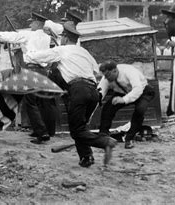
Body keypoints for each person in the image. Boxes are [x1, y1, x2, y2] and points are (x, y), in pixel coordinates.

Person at [27, 22, 116, 167]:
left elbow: (37, 57)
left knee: (76, 131)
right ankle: (86, 157)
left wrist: (28, 52)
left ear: (66, 38)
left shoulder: (61, 50)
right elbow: (96, 70)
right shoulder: (84, 52)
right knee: (80, 126)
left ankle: (105, 142)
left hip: (78, 91)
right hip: (93, 92)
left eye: (62, 37)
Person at [0, 12, 57, 144]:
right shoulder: (48, 37)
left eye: (32, 22)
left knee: (31, 103)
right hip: (43, 71)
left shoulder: (29, 34)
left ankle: (42, 133)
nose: (30, 24)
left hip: (31, 69)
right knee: (42, 102)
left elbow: (11, 36)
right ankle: (46, 130)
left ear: (37, 23)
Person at [98, 60, 155, 149]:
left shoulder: (129, 71)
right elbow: (100, 92)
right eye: (105, 76)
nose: (107, 78)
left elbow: (137, 89)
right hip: (122, 92)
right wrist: (94, 102)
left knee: (140, 110)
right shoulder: (106, 78)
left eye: (108, 75)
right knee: (107, 108)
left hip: (142, 91)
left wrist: (124, 99)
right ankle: (103, 136)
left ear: (115, 70)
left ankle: (129, 138)